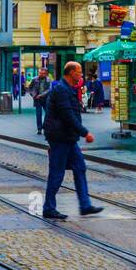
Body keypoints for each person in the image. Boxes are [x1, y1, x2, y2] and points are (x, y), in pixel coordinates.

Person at [41, 61, 103, 220]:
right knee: (57, 173)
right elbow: (67, 115)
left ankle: (85, 205)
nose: (81, 75)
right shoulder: (61, 89)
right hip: (59, 137)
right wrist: (85, 133)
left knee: (80, 167)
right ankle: (48, 208)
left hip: (68, 137)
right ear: (71, 73)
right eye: (79, 72)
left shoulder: (68, 89)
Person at [28, 67, 51, 136]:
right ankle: (39, 129)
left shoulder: (48, 80)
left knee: (48, 113)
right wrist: (33, 95)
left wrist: (41, 95)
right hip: (37, 99)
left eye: (43, 73)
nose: (41, 74)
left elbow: (49, 89)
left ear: (46, 74)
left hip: (45, 99)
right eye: (40, 73)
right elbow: (30, 88)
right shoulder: (34, 79)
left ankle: (44, 126)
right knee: (38, 114)